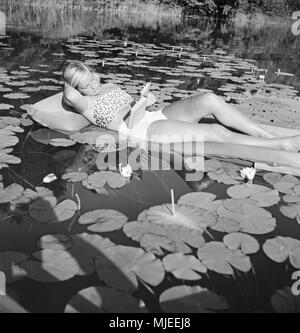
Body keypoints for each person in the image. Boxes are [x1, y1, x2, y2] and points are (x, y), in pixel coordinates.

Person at [62, 60, 300, 152]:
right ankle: (282, 144)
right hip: (141, 131)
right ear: (77, 88)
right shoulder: (84, 103)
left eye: (93, 77)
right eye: (85, 85)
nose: (93, 85)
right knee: (215, 132)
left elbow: (135, 106)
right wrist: (73, 77)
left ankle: (263, 134)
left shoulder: (109, 85)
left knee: (209, 98)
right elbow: (68, 93)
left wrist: (145, 100)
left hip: (152, 116)